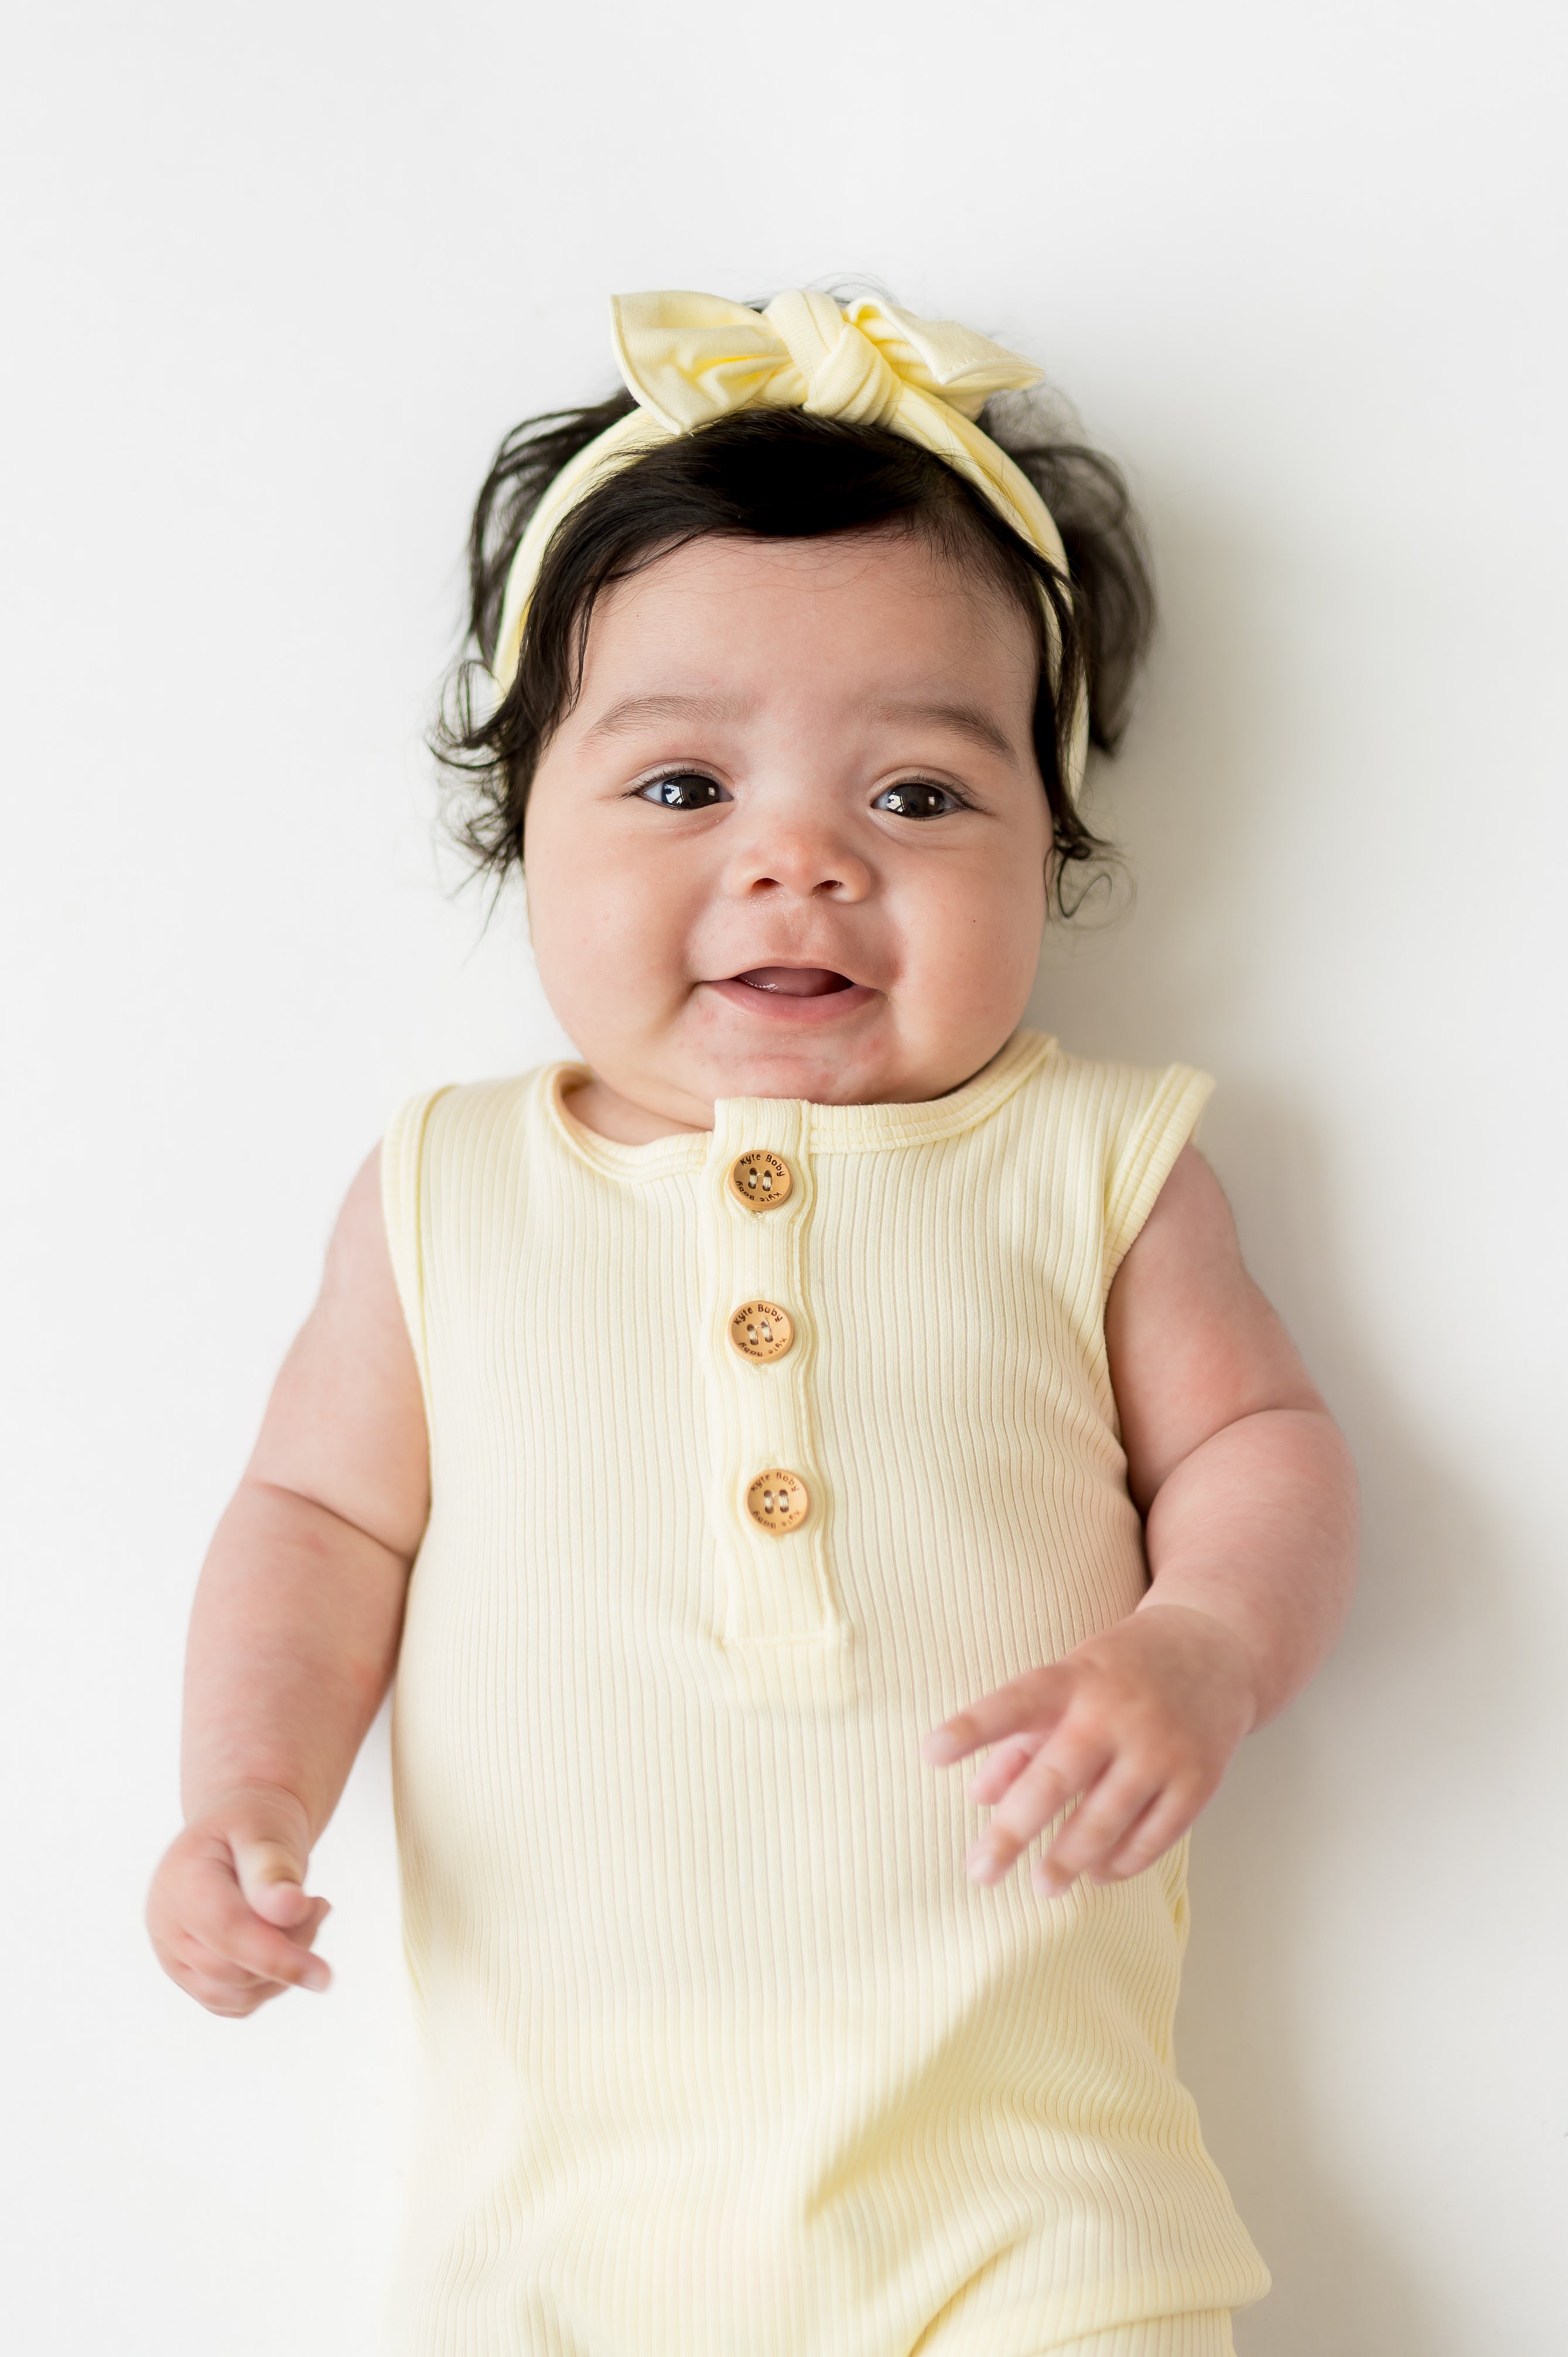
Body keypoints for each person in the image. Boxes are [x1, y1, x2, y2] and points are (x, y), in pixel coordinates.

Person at [146, 288, 1359, 2356]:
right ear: (518, 825)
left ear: (1047, 848)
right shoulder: (449, 1192)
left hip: (1029, 2194)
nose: (799, 863)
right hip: (553, 2232)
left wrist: (1202, 1647)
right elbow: (316, 1522)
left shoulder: (1089, 1160)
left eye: (917, 800)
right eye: (684, 787)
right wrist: (244, 1792)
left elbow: (1257, 1448)